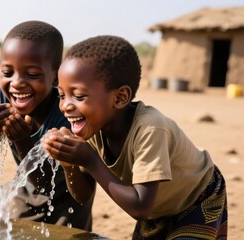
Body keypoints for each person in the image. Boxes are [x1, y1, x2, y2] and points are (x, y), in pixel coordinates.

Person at [43, 35, 228, 239]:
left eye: (78, 96)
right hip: (155, 208)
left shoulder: (150, 128)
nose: (65, 106)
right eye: (61, 95)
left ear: (120, 97)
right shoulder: (92, 128)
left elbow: (140, 208)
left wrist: (90, 160)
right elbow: (83, 195)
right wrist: (69, 165)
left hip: (196, 199)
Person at [0, 20, 95, 231]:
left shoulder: (67, 110)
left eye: (32, 74)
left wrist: (22, 141)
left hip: (71, 196)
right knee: (17, 233)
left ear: (56, 77)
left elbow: (46, 184)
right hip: (26, 191)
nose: (16, 83)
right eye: (8, 73)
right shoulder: (2, 98)